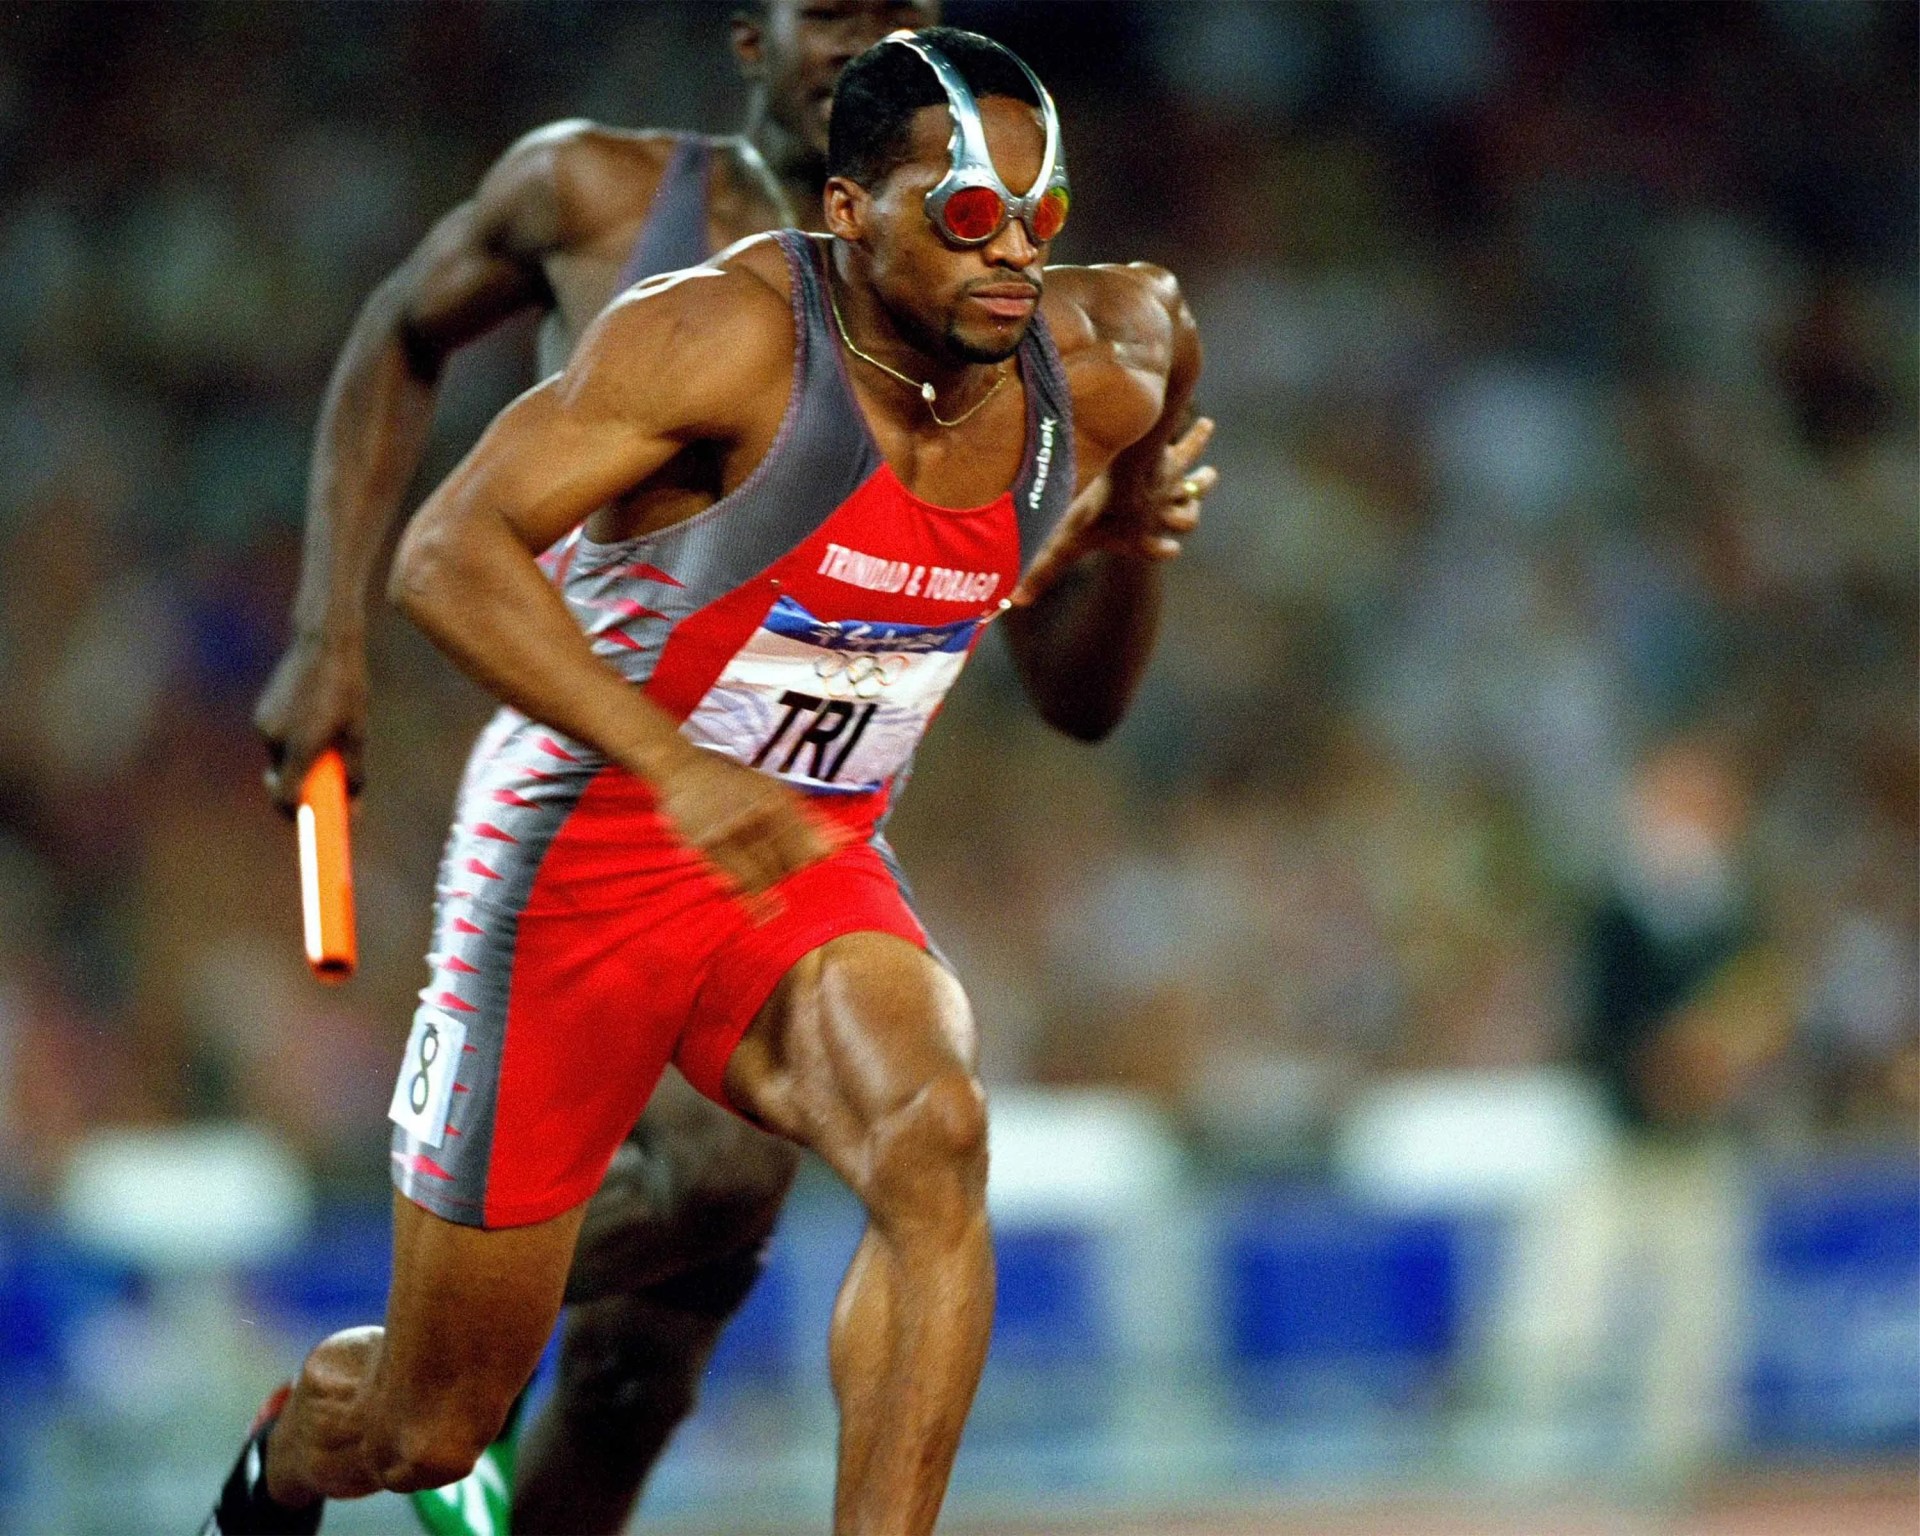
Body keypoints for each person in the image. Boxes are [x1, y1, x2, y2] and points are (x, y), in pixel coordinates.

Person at [211, 26, 1212, 1536]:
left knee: (933, 1133)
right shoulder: (718, 336)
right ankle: (287, 1456)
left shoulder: (1109, 353)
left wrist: (1115, 524)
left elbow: (1079, 690)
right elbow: (446, 559)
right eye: (962, 217)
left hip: (794, 858)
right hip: (583, 844)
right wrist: (669, 766)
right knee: (428, 1427)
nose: (1011, 253)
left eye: (1039, 211)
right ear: (850, 214)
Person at [251, 4, 933, 1533]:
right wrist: (327, 634)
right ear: (749, 40)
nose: (871, 39)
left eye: (908, 11)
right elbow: (397, 333)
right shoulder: (598, 194)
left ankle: (429, 1347)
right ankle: (411, 1355)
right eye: (830, 11)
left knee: (636, 1388)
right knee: (725, 1186)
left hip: (772, 837)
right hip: (584, 792)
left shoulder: (946, 287)